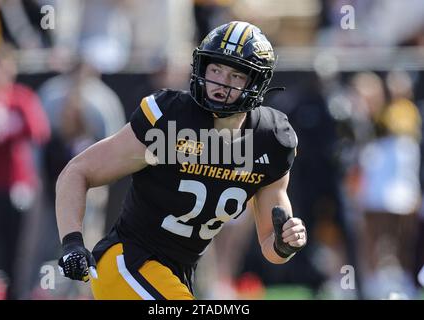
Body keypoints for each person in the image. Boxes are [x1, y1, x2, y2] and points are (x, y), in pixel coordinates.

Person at [56, 21, 307, 300]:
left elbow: (270, 246)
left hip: (178, 274)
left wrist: (285, 245)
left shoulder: (272, 139)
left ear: (256, 82)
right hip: (128, 262)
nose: (220, 83)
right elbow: (78, 171)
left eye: (235, 76)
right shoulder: (170, 119)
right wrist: (72, 242)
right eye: (215, 69)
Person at [0, 44, 50, 299]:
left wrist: (5, 132)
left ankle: (16, 294)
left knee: (17, 251)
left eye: (3, 70)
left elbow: (38, 130)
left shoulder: (21, 98)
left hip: (18, 187)